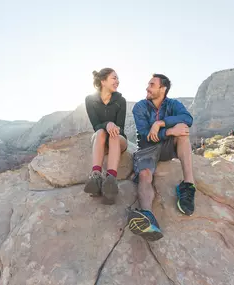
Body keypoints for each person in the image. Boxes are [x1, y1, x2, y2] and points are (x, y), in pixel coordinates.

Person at [128, 73, 196, 241]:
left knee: (183, 129)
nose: (147, 88)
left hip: (166, 147)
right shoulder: (140, 107)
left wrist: (161, 124)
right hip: (147, 148)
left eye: (151, 84)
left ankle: (188, 185)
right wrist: (169, 131)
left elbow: (188, 119)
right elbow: (145, 134)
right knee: (144, 175)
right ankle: (148, 218)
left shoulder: (173, 104)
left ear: (163, 89)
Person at [84, 68, 127, 204]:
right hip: (100, 138)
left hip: (118, 140)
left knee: (114, 134)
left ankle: (110, 180)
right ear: (103, 81)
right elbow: (96, 125)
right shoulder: (90, 100)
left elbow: (120, 126)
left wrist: (112, 126)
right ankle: (96, 177)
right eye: (114, 78)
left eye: (117, 79)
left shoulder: (121, 100)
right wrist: (107, 124)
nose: (117, 81)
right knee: (101, 132)